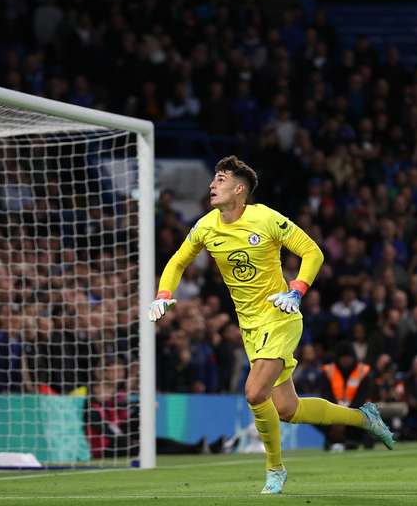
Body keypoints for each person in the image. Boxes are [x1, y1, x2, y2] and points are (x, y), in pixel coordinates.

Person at [149, 156, 394, 495]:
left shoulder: (265, 218)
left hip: (280, 315)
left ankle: (275, 469)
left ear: (239, 189)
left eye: (220, 180)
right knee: (288, 409)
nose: (211, 185)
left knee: (253, 392)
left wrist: (296, 290)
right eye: (213, 179)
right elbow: (177, 260)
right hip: (250, 327)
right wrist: (163, 294)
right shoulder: (206, 225)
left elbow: (312, 252)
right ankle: (365, 418)